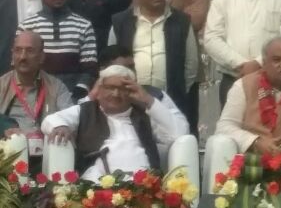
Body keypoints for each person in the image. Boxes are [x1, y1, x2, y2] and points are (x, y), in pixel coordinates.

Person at [42, 64, 182, 181]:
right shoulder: (86, 111)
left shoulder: (144, 114)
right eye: (110, 88)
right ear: (99, 89)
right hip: (97, 188)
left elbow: (178, 134)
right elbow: (51, 119)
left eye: (123, 89)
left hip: (143, 188)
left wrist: (148, 100)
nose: (116, 94)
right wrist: (61, 126)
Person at [107, 0, 198, 124]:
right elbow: (111, 62)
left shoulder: (182, 22)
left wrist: (178, 91)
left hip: (169, 102)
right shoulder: (121, 22)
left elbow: (191, 66)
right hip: (130, 102)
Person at [153, 0, 209, 136]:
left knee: (184, 130)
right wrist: (179, 14)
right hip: (150, 68)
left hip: (185, 69)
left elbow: (195, 20)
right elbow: (137, 17)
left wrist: (155, 17)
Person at [19, 0, 98, 99]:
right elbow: (20, 65)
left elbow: (89, 69)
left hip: (73, 96)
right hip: (35, 95)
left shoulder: (83, 25)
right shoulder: (27, 26)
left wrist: (78, 92)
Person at [0, 31, 73, 166]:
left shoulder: (56, 87)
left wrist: (63, 125)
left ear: (41, 56)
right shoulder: (1, 85)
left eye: (29, 51)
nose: (23, 56)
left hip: (48, 154)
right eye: (18, 50)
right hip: (10, 156)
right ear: (12, 55)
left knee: (63, 142)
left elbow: (69, 114)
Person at [92, 45, 190, 136]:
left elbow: (182, 133)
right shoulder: (91, 99)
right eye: (123, 68)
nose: (131, 73)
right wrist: (92, 97)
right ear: (103, 71)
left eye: (132, 67)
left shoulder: (154, 94)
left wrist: (148, 101)